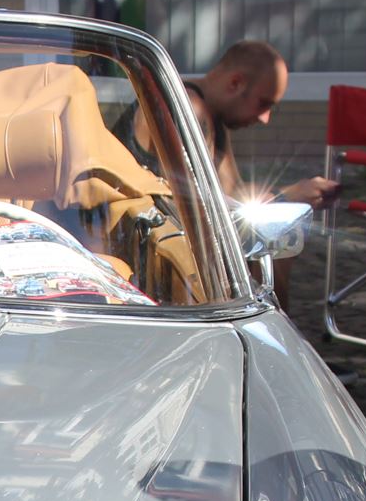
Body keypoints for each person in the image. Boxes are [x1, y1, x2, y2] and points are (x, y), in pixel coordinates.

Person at [118, 40, 338, 311]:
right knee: (270, 248)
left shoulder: (210, 115)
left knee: (270, 241)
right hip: (143, 257)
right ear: (235, 83)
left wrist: (291, 193)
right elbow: (194, 205)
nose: (265, 118)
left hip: (166, 249)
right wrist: (285, 196)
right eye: (263, 104)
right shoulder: (189, 108)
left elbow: (231, 195)